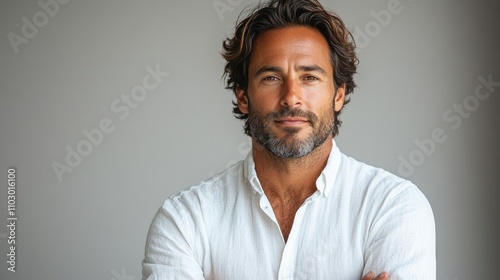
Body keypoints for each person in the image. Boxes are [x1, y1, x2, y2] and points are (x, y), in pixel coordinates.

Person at [142, 0, 436, 279]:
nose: (291, 97)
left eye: (309, 77)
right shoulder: (185, 220)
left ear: (338, 94)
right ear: (243, 96)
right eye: (271, 77)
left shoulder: (392, 207)